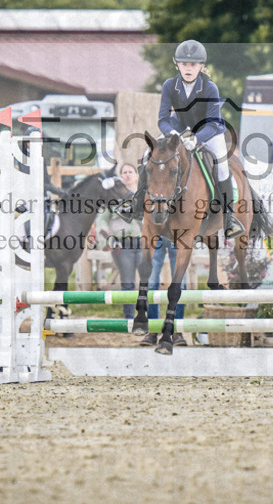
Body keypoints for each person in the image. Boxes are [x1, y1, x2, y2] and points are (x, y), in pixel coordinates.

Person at [122, 39, 244, 239]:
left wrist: (196, 140)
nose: (188, 68)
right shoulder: (170, 86)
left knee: (222, 166)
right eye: (184, 64)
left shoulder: (210, 88)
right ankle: (135, 205)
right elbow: (163, 119)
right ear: (176, 63)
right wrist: (175, 135)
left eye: (193, 65)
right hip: (179, 128)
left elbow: (213, 122)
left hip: (210, 130)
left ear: (201, 67)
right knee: (148, 155)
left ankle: (229, 219)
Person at [97, 164, 142, 319]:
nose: (128, 175)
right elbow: (102, 221)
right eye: (124, 173)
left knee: (147, 282)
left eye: (131, 172)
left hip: (144, 243)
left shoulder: (144, 195)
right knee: (128, 282)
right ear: (121, 177)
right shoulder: (113, 198)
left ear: (136, 176)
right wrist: (108, 240)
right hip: (123, 245)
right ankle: (129, 317)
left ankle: (145, 315)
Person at [138, 237, 188, 347]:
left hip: (179, 233)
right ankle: (152, 329)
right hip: (157, 233)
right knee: (151, 284)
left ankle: (176, 330)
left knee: (180, 284)